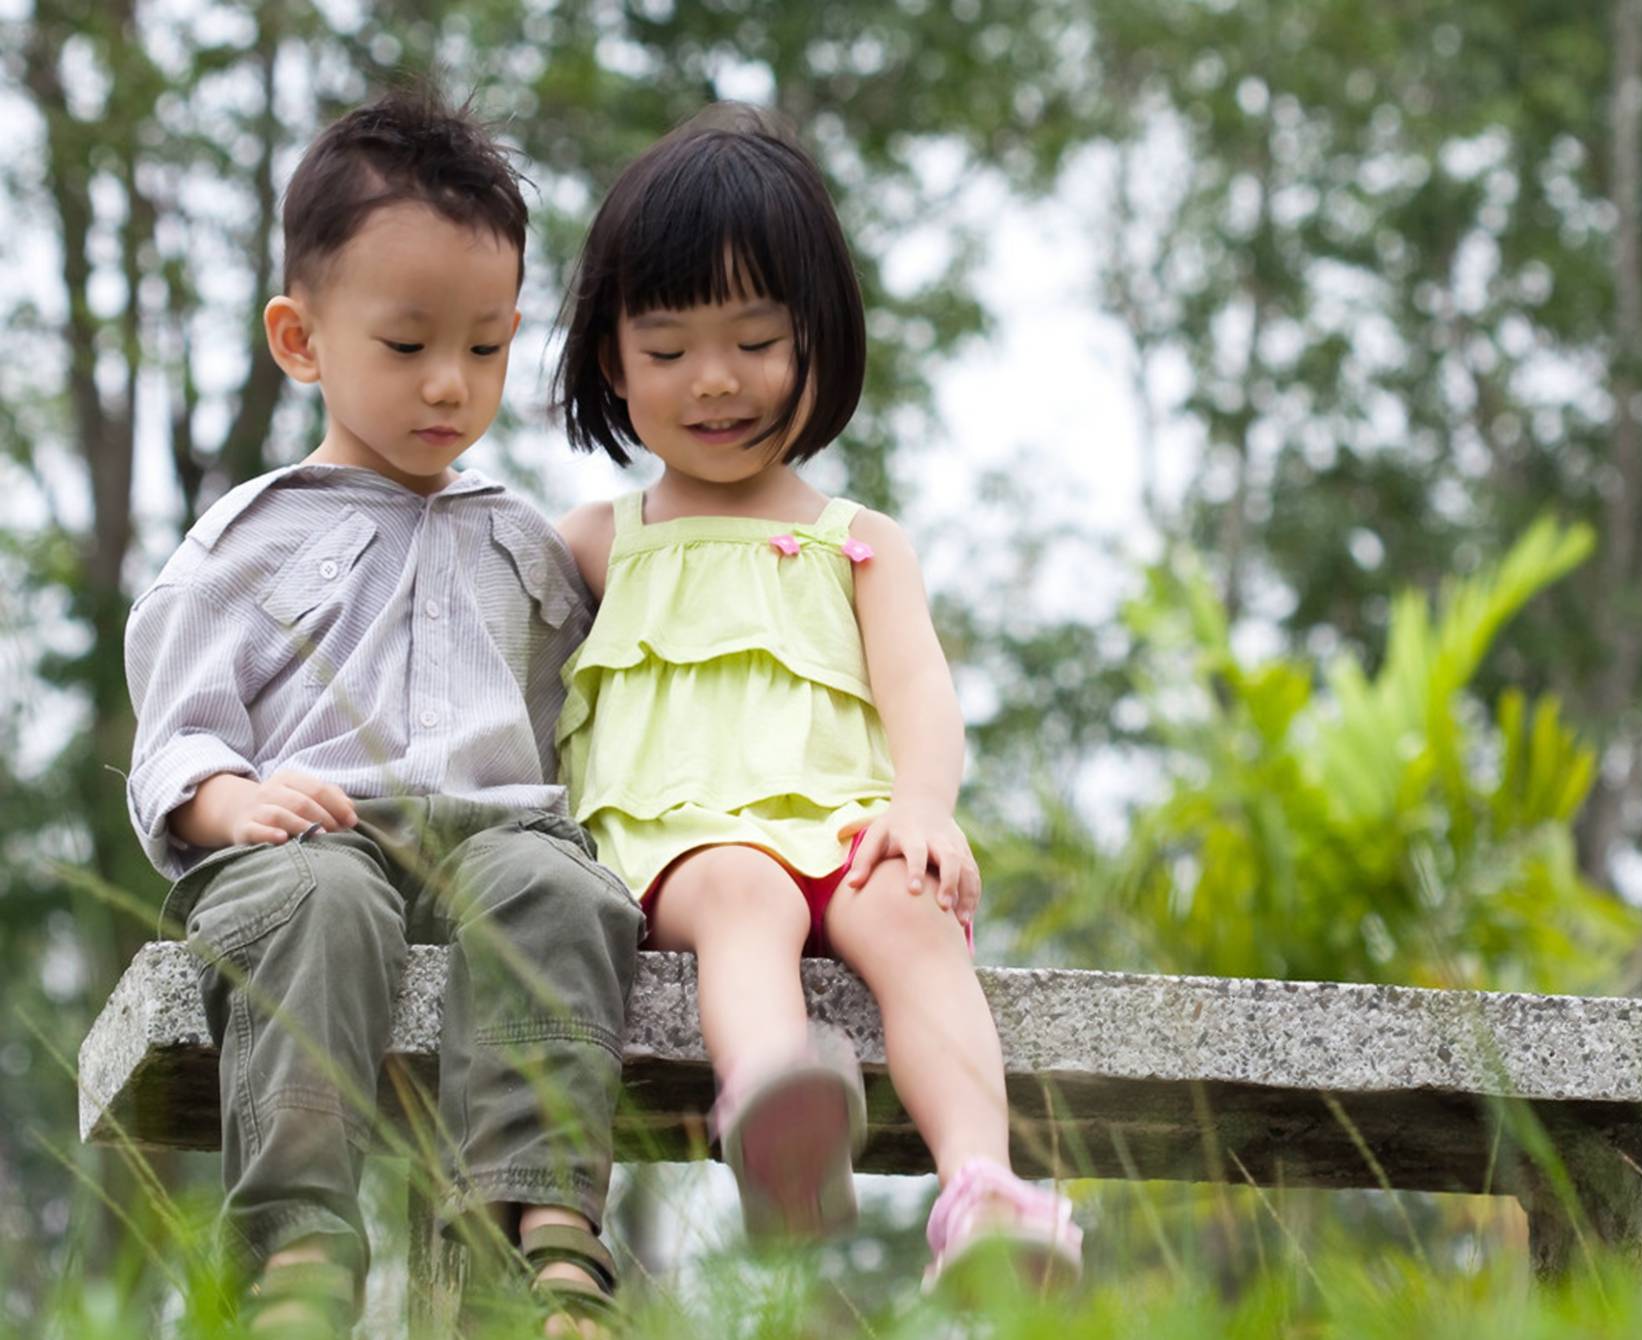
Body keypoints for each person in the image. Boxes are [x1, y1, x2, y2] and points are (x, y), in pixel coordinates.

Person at [123, 90, 641, 1338]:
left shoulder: (523, 538)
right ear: (300, 340)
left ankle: (548, 1224)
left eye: (487, 344)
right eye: (406, 346)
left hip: (491, 832)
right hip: (305, 842)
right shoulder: (242, 542)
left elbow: (572, 722)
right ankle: (300, 1243)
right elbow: (176, 734)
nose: (450, 385)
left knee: (563, 891)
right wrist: (231, 797)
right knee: (325, 902)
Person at [551, 102, 1082, 1291]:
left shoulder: (859, 540)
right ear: (610, 359)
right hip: (679, 841)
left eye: (755, 338)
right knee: (743, 889)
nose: (716, 381)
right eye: (669, 346)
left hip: (842, 822)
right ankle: (779, 1107)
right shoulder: (596, 543)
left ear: (817, 341)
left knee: (909, 915)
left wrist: (924, 808)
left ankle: (981, 1186)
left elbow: (917, 688)